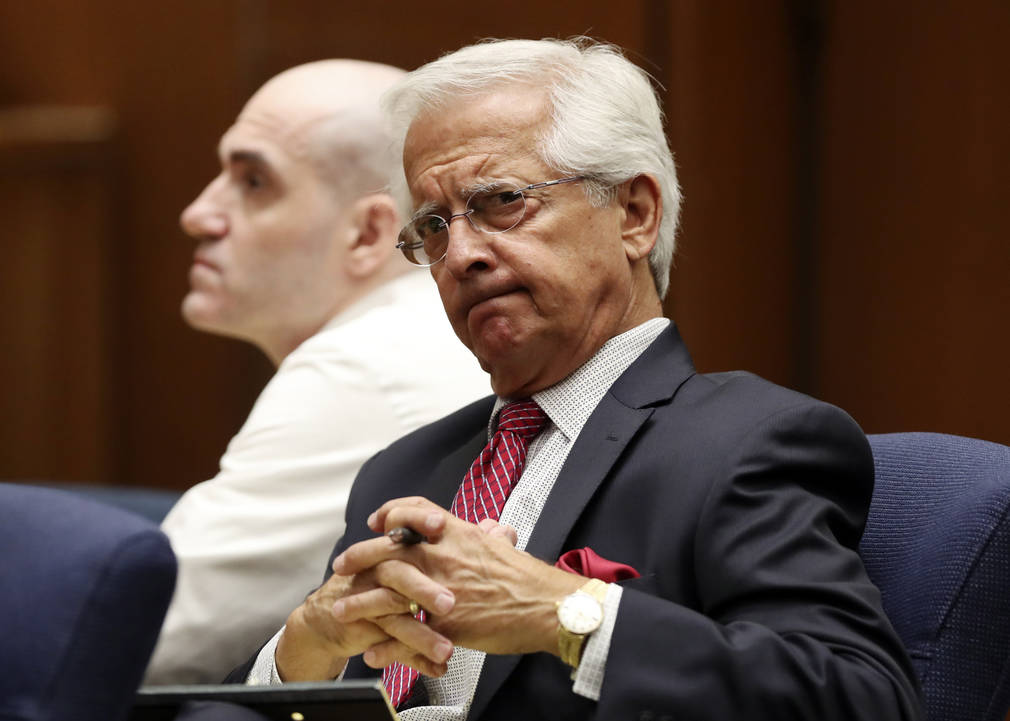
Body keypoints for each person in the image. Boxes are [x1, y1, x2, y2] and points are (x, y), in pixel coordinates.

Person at [228, 39, 923, 720]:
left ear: (634, 214)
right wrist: (299, 657)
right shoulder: (402, 470)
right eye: (433, 227)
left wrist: (561, 613)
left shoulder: (745, 442)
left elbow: (860, 698)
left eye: (502, 200)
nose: (460, 254)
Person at [144, 59, 491, 685]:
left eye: (253, 182)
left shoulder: (359, 369)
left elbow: (131, 631)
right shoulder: (418, 328)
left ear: (366, 233)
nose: (198, 214)